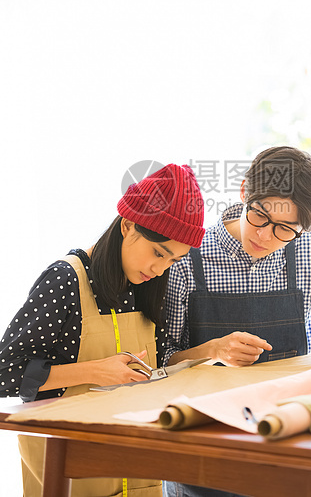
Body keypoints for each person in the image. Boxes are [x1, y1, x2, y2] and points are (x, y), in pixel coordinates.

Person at [162, 146, 311, 497]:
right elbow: (159, 359)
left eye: (285, 229)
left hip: (288, 437)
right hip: (203, 439)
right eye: (260, 216)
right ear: (245, 192)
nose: (265, 236)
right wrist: (212, 349)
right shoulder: (188, 255)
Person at [0, 164, 205, 497]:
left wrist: (210, 352)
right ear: (128, 226)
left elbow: (164, 362)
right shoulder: (65, 280)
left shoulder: (150, 287)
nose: (159, 268)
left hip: (139, 464)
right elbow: (6, 373)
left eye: (172, 261)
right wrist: (97, 371)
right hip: (67, 465)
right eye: (158, 253)